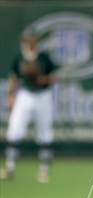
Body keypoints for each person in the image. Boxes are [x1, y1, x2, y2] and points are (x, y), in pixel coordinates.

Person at [1, 31, 58, 183]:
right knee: (14, 130)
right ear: (24, 41)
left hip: (43, 96)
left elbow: (54, 77)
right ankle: (9, 168)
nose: (30, 43)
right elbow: (14, 78)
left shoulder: (43, 57)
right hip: (24, 95)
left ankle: (44, 172)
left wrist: (43, 79)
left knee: (45, 133)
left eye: (32, 40)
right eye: (27, 40)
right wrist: (11, 97)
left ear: (37, 41)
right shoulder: (20, 57)